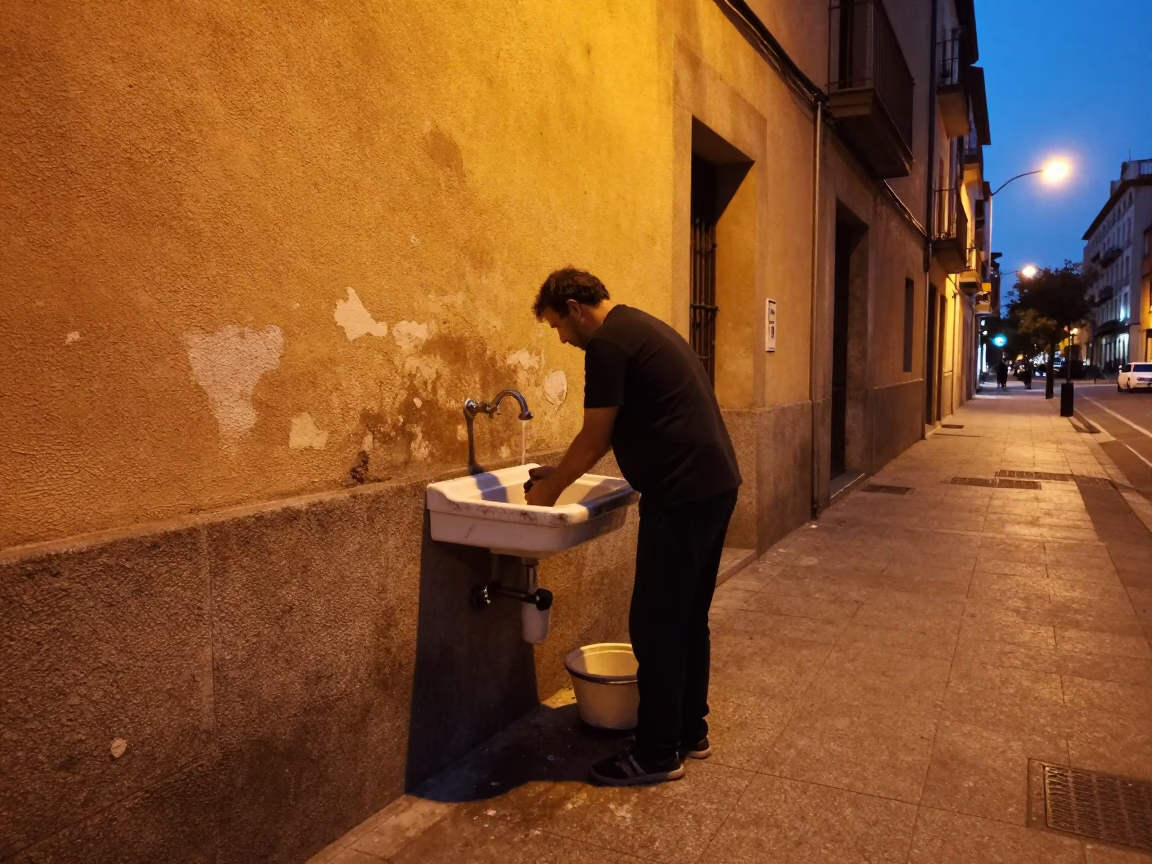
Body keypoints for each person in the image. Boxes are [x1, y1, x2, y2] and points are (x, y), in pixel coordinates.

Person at [525, 267, 741, 786]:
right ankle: (690, 731)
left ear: (576, 308)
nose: (561, 337)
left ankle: (656, 754)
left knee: (656, 625)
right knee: (688, 618)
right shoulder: (640, 328)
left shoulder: (606, 347)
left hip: (682, 496)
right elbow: (631, 424)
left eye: (558, 325)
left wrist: (547, 495)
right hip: (714, 486)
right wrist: (558, 472)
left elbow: (596, 435)